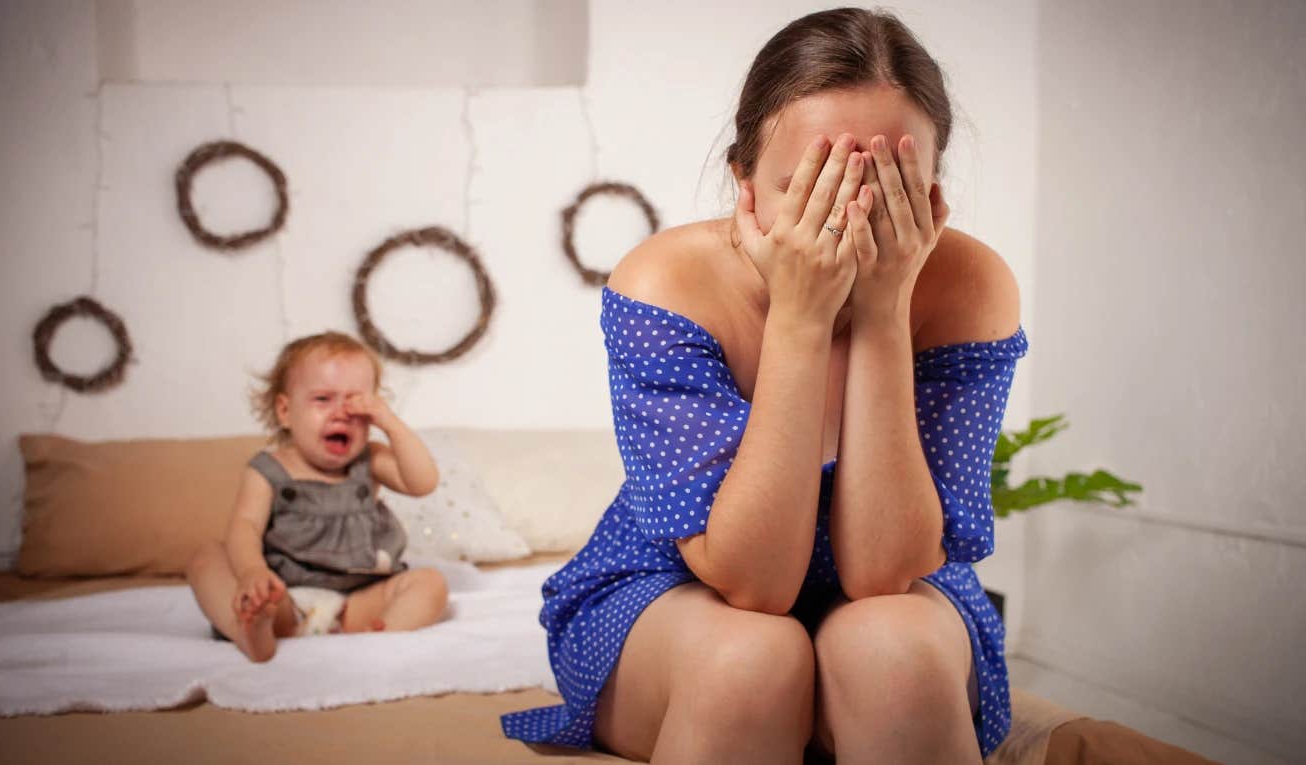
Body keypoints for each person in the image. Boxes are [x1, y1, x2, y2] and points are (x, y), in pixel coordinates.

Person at [502, 7, 1027, 763]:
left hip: (900, 596)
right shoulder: (666, 281)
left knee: (894, 653)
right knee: (752, 658)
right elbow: (754, 584)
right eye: (809, 184)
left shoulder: (970, 285)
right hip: (681, 589)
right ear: (743, 184)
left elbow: (885, 572)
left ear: (932, 190)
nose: (845, 219)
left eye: (881, 184)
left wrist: (884, 312)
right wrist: (800, 323)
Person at [186, 331, 448, 662]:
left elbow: (423, 482)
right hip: (282, 601)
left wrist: (391, 424)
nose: (341, 413)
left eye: (356, 402)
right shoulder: (269, 469)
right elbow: (245, 527)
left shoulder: (370, 459)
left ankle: (383, 637)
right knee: (207, 558)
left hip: (357, 604)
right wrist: (253, 573)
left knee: (430, 582)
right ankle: (250, 630)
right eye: (323, 399)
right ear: (284, 410)